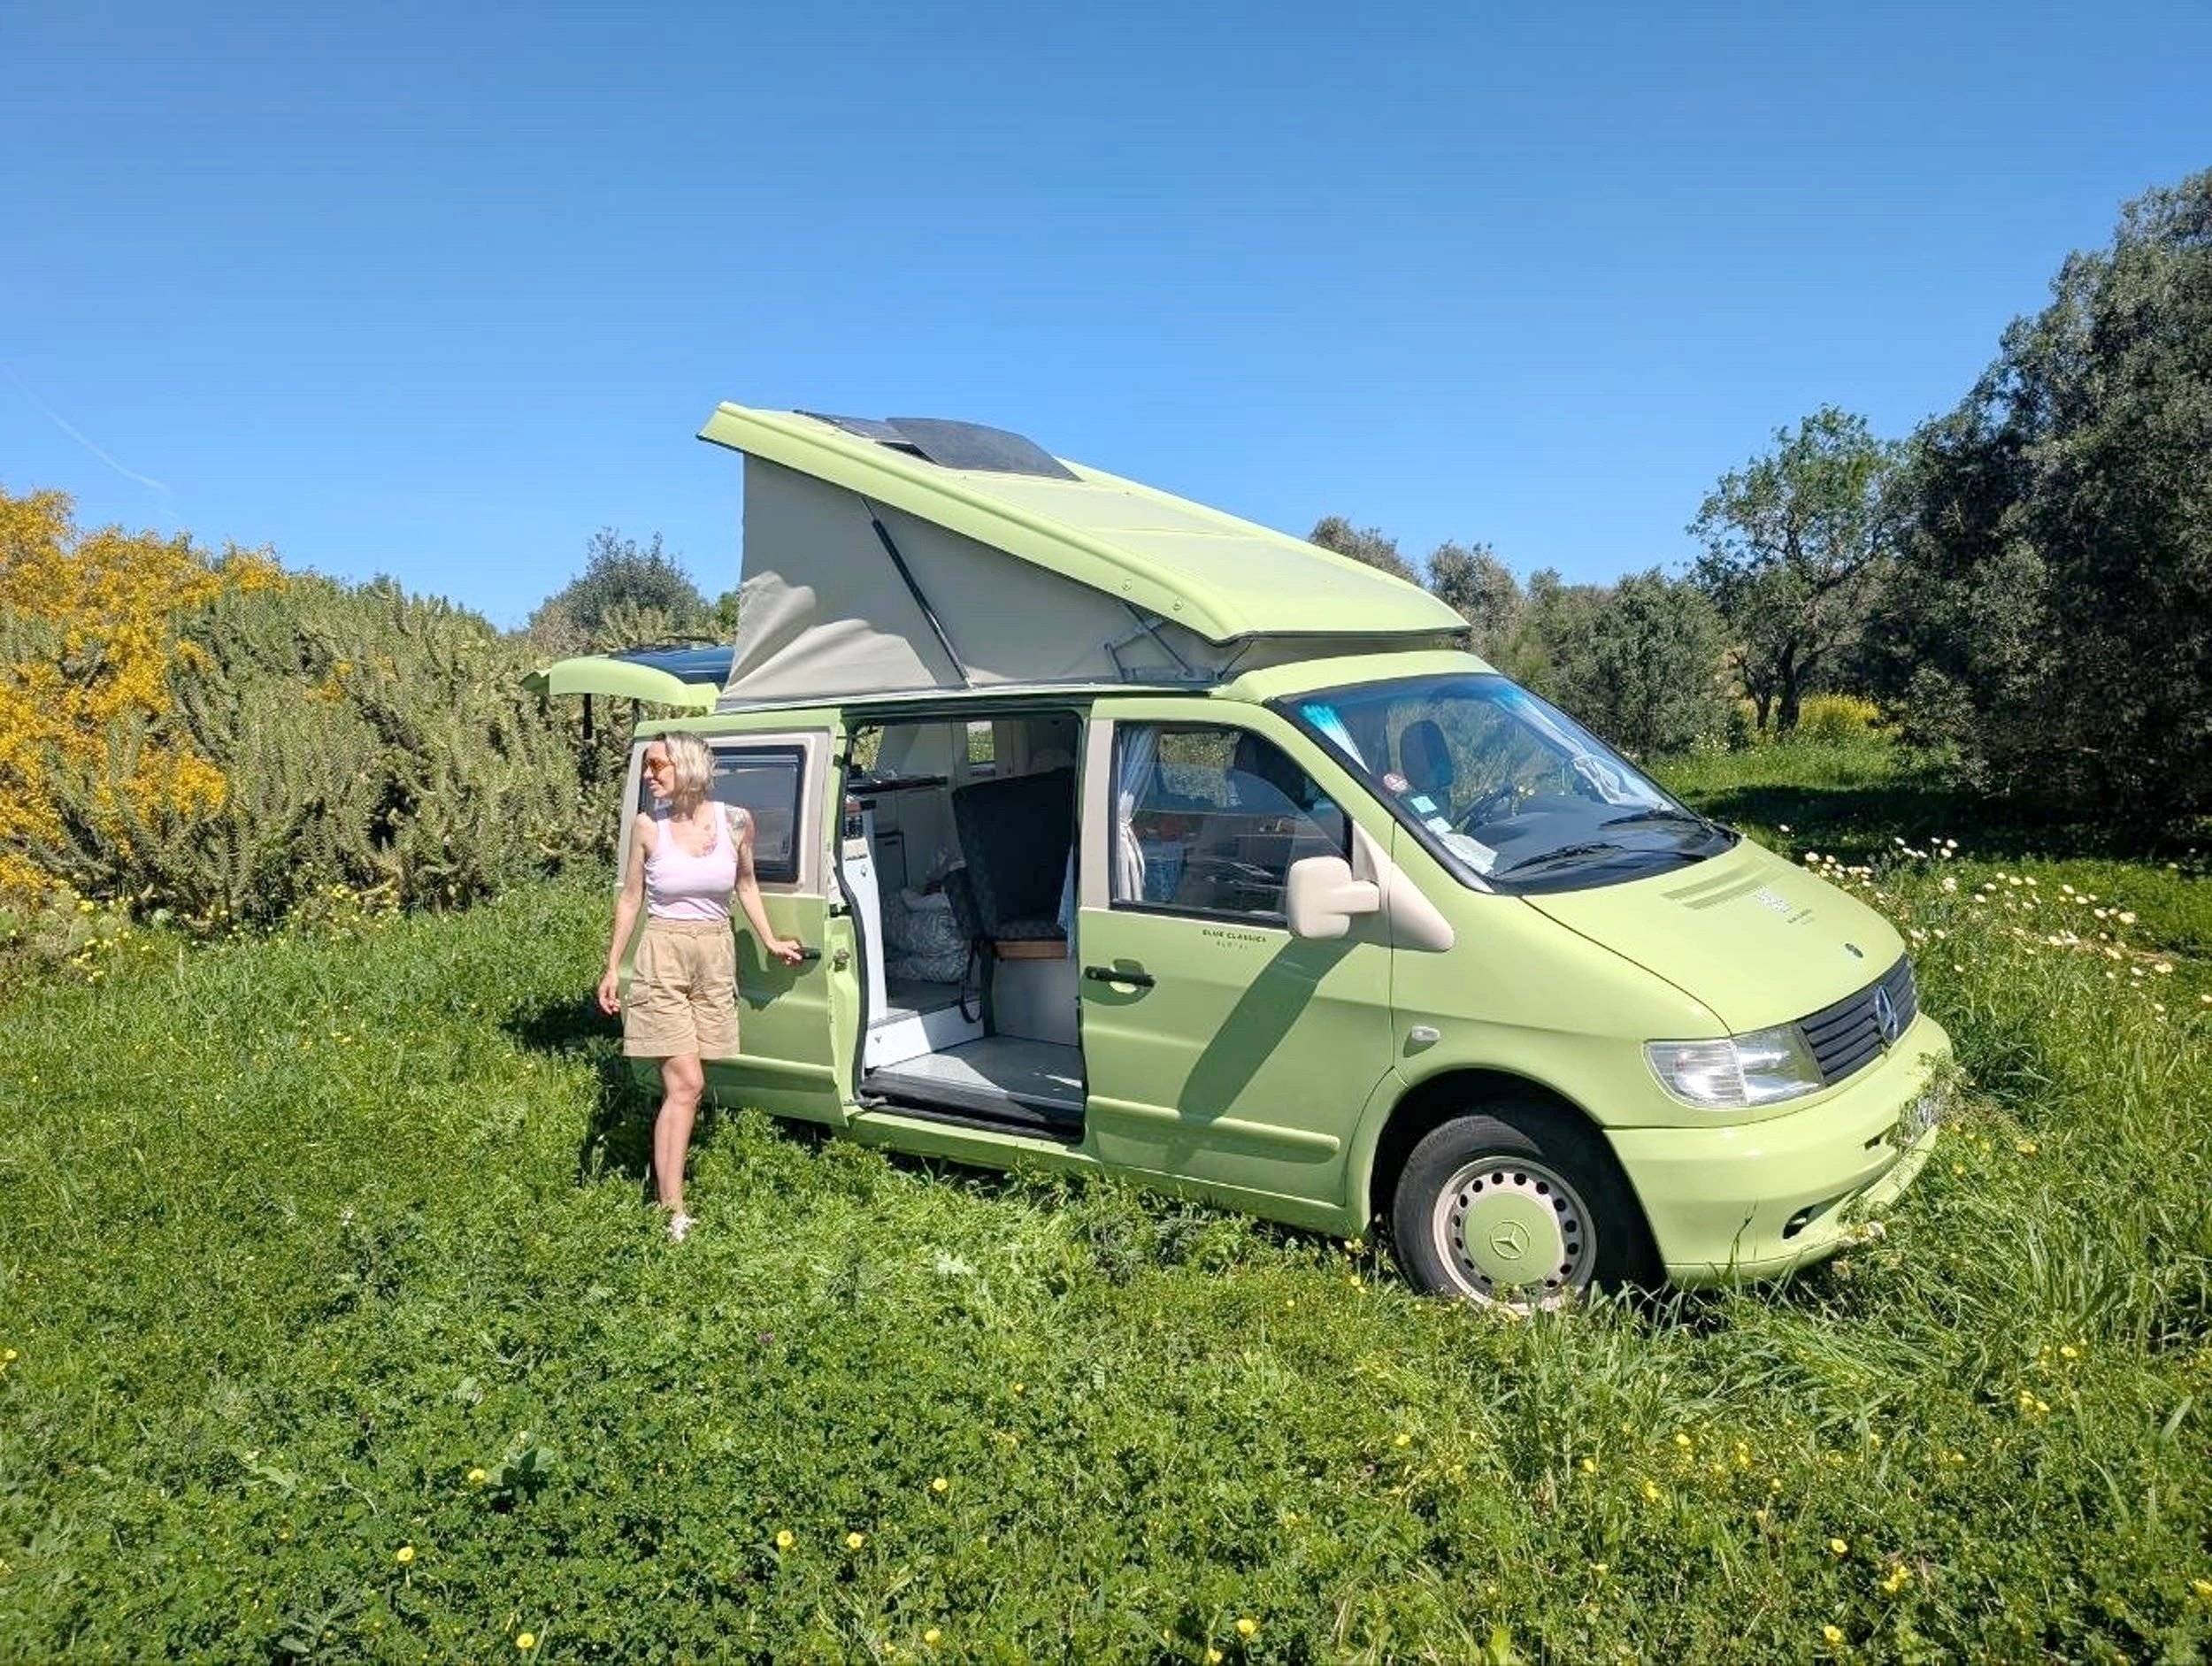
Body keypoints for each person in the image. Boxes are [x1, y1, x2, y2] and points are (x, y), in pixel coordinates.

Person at [598, 733, 803, 1240]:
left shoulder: (737, 822)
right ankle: (672, 1211)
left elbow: (746, 885)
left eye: (656, 765)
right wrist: (611, 966)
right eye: (648, 767)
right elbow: (630, 899)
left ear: (686, 766)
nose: (649, 776)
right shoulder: (648, 828)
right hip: (663, 952)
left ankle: (667, 1198)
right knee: (686, 1083)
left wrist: (770, 938)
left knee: (688, 1088)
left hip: (715, 953)